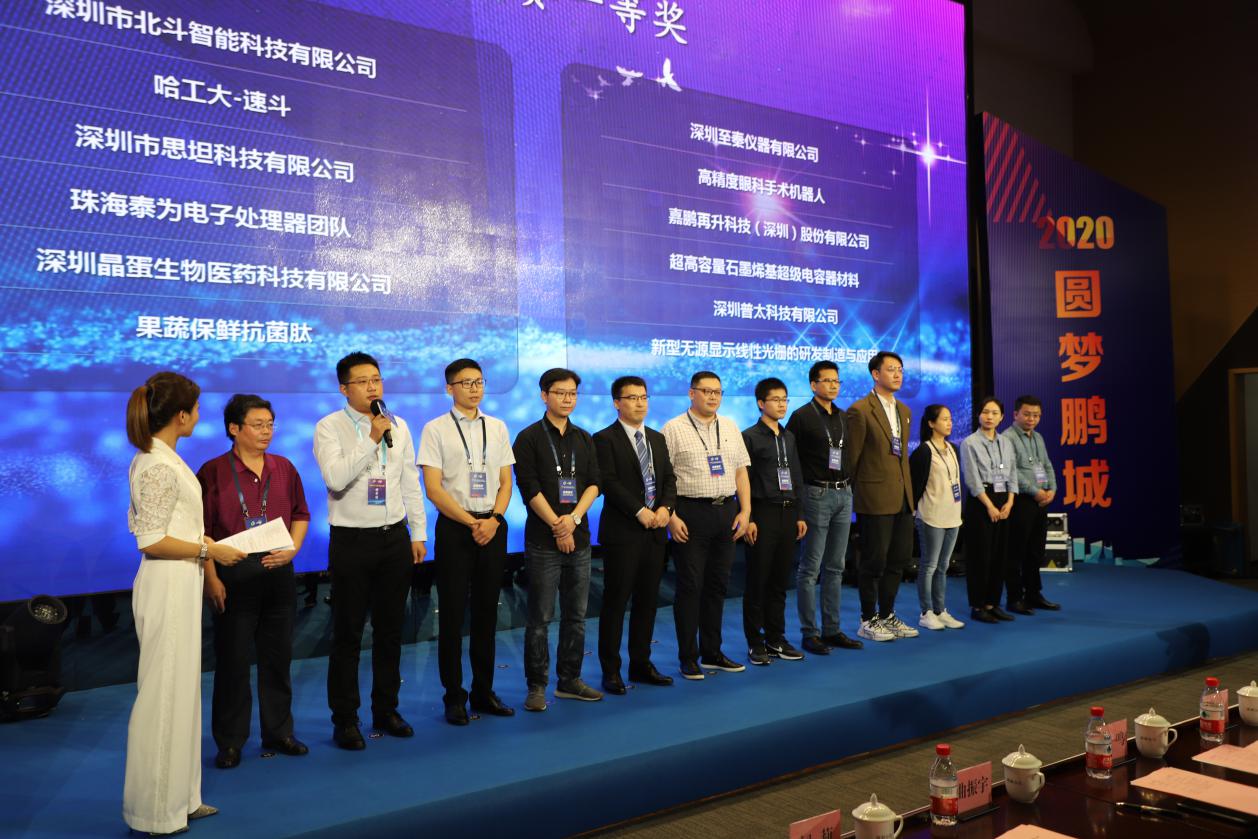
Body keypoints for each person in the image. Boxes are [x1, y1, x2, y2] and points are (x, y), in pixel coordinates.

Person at [123, 372, 245, 835]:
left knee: (182, 694)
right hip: (167, 582)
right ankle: (155, 812)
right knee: (163, 697)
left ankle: (182, 798)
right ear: (180, 415)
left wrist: (203, 548)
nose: (198, 416)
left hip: (181, 579)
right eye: (195, 408)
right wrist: (209, 550)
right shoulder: (156, 463)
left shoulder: (164, 458)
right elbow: (151, 539)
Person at [313, 352, 427, 749]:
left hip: (394, 538)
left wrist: (418, 532)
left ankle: (386, 709)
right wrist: (371, 438)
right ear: (344, 388)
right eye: (362, 381)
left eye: (376, 379)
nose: (372, 387)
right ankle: (345, 719)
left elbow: (409, 481)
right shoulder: (329, 427)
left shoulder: (399, 424)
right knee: (347, 633)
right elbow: (336, 478)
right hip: (352, 541)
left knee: (390, 631)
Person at [197, 394, 310, 769]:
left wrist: (293, 549)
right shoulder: (213, 471)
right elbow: (202, 531)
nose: (266, 431)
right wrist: (211, 579)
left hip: (278, 571)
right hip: (233, 574)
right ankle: (230, 741)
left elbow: (301, 513)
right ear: (234, 428)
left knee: (278, 658)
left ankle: (279, 731)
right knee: (233, 662)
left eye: (270, 424)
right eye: (258, 425)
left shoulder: (284, 467)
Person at [418, 359, 516, 725]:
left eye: (479, 382)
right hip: (456, 529)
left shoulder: (498, 426)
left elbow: (506, 482)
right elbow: (433, 489)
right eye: (466, 383)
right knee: (452, 615)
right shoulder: (435, 429)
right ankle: (454, 696)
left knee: (487, 614)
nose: (475, 389)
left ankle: (483, 691)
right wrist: (471, 522)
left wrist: (494, 520)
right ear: (449, 388)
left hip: (492, 526)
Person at [513, 368, 603, 711]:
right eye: (560, 393)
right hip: (543, 541)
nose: (568, 399)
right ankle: (537, 686)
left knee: (576, 616)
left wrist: (573, 520)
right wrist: (557, 525)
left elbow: (594, 483)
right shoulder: (528, 438)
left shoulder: (584, 437)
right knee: (539, 618)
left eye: (573, 393)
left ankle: (569, 680)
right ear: (544, 395)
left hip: (580, 537)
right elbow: (529, 488)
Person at [662, 371, 752, 680]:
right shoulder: (673, 428)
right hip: (690, 513)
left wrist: (745, 511)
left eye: (717, 392)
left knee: (717, 586)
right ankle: (688, 657)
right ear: (692, 393)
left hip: (726, 512)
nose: (713, 397)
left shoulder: (730, 426)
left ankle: (712, 652)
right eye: (706, 391)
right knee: (690, 587)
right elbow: (664, 478)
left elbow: (741, 471)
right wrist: (671, 516)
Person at [593, 376, 677, 694]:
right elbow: (608, 482)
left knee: (647, 601)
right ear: (617, 403)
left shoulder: (656, 438)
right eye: (632, 398)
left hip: (655, 533)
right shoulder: (604, 439)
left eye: (643, 397)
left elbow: (669, 479)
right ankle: (611, 670)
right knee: (616, 603)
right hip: (623, 532)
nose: (640, 403)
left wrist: (666, 508)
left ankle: (641, 664)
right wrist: (639, 510)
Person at [786, 360, 862, 655]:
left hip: (844, 493)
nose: (833, 385)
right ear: (813, 384)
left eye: (836, 381)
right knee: (811, 567)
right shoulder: (801, 416)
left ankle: (832, 629)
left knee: (836, 566)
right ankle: (810, 633)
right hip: (816, 494)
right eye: (827, 380)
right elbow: (790, 459)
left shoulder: (842, 416)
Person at [846, 351, 918, 642]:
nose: (898, 374)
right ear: (876, 374)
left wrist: (910, 496)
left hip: (902, 497)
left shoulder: (904, 410)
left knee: (898, 560)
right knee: (874, 561)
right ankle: (867, 619)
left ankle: (887, 615)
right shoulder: (860, 410)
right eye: (891, 369)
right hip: (874, 497)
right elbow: (852, 459)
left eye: (900, 369)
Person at [741, 378, 807, 665]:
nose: (782, 404)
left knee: (780, 581)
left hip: (788, 513)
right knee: (758, 581)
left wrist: (800, 514)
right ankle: (755, 643)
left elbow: (797, 476)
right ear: (761, 403)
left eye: (785, 399)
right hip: (762, 513)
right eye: (776, 399)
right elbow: (743, 481)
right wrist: (749, 518)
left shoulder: (789, 436)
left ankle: (776, 638)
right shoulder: (749, 437)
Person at [959, 397, 1017, 624]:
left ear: (1002, 417)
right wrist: (990, 506)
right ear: (978, 415)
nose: (989, 417)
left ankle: (993, 603)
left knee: (999, 555)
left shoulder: (1006, 442)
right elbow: (972, 480)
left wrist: (1010, 502)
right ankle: (978, 605)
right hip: (981, 501)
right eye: (985, 412)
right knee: (980, 556)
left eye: (994, 413)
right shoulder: (969, 443)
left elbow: (1012, 474)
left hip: (1004, 499)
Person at [1002, 395, 1062, 613]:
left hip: (1041, 500)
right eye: (1027, 414)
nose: (1031, 419)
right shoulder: (1006, 438)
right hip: (1021, 500)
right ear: (1015, 414)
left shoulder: (1038, 437)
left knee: (1036, 550)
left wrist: (1052, 489)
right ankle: (1014, 598)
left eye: (1036, 415)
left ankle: (1034, 594)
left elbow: (1047, 465)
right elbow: (1011, 472)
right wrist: (1036, 491)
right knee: (1016, 551)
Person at [908, 405, 965, 631]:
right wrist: (913, 512)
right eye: (944, 419)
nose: (949, 423)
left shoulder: (953, 448)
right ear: (931, 423)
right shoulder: (924, 451)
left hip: (953, 515)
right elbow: (915, 485)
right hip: (931, 516)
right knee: (929, 565)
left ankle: (941, 610)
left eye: (950, 419)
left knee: (943, 566)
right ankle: (926, 612)